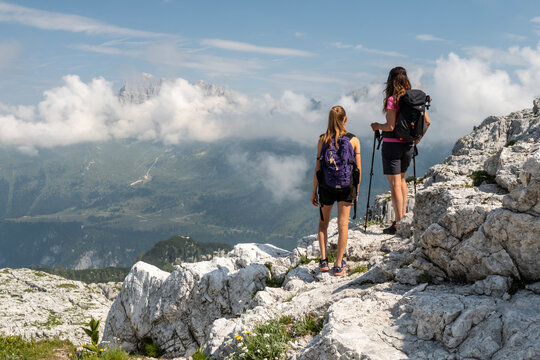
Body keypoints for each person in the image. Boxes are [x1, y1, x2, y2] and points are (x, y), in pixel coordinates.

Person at [370, 66, 430, 234]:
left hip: (392, 146)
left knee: (395, 183)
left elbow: (389, 125)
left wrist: (376, 126)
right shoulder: (414, 99)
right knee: (402, 180)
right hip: (409, 145)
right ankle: (403, 217)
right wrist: (417, 139)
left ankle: (398, 222)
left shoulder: (393, 100)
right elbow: (428, 122)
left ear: (390, 81)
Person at [311, 105, 361, 276]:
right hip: (347, 187)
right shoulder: (354, 140)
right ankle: (339, 264)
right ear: (345, 119)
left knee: (322, 224)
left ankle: (324, 261)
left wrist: (314, 191)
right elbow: (357, 170)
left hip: (326, 187)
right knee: (343, 225)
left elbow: (318, 167)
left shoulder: (322, 140)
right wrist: (356, 191)